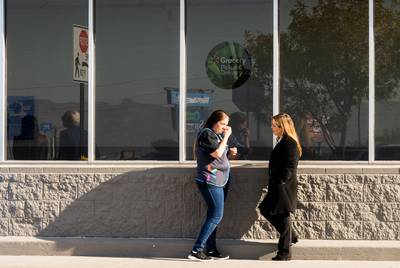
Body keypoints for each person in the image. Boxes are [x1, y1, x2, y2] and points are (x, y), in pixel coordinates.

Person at [188, 110, 237, 261]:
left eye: (227, 125)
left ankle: (211, 250)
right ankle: (196, 250)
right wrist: (227, 137)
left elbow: (219, 154)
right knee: (216, 215)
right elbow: (216, 153)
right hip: (210, 178)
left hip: (219, 177)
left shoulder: (215, 135)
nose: (225, 128)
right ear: (214, 122)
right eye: (223, 124)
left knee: (213, 215)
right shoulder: (206, 134)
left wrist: (230, 152)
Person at [258, 113, 302, 261]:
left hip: (283, 186)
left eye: (274, 125)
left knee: (283, 216)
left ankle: (284, 253)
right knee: (265, 209)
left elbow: (291, 165)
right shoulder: (282, 140)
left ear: (282, 127)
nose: (271, 127)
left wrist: (281, 181)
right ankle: (292, 236)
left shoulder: (290, 143)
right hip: (277, 184)